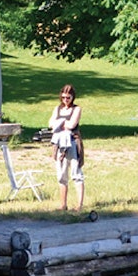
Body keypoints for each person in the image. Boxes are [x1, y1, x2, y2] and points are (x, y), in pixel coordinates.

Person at [49, 84, 85, 212]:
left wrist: (60, 124)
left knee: (76, 174)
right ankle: (63, 204)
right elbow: (51, 124)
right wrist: (61, 124)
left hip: (73, 143)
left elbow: (71, 124)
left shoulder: (76, 109)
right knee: (61, 175)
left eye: (68, 97)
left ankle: (79, 206)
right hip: (60, 144)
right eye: (63, 97)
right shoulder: (57, 109)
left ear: (72, 97)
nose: (65, 100)